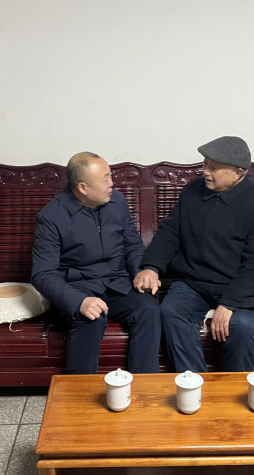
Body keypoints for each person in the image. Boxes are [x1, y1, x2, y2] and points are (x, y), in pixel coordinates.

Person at [133, 136, 254, 373]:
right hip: (193, 283)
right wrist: (151, 266)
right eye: (205, 164)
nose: (205, 172)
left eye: (213, 167)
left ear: (237, 173)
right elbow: (171, 232)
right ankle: (194, 383)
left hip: (235, 286)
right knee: (171, 312)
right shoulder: (193, 191)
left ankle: (235, 387)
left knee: (242, 326)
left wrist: (229, 304)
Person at [31, 152, 161, 374]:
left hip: (117, 283)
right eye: (105, 179)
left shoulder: (117, 201)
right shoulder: (51, 216)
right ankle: (80, 390)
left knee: (148, 309)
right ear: (83, 187)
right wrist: (79, 301)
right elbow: (42, 274)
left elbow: (132, 245)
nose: (112, 183)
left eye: (110, 176)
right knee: (91, 318)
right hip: (78, 287)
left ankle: (144, 387)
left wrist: (142, 271)